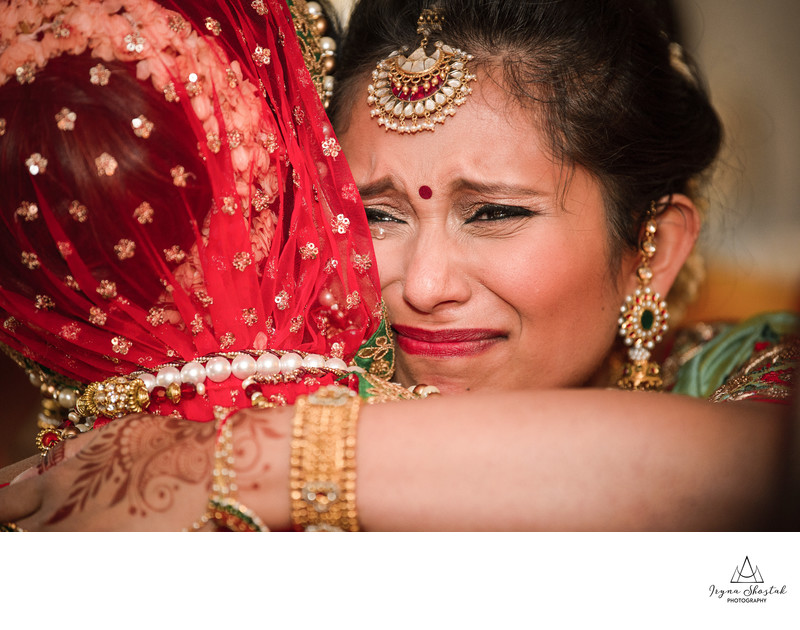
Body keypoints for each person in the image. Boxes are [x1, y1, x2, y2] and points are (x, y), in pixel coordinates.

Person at [0, 0, 797, 531]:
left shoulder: (752, 368)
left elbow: (759, 470)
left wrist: (222, 463)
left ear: (652, 250)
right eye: (375, 214)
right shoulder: (279, 384)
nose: (422, 285)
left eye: (495, 213)